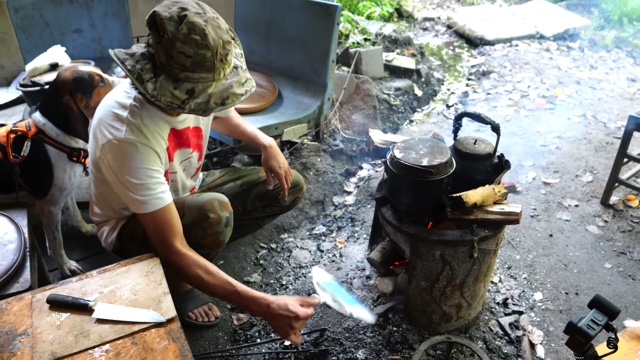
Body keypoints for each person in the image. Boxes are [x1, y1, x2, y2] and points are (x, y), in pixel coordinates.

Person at [88, 0, 319, 344]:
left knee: (288, 186)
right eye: (202, 96)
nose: (209, 102)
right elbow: (173, 246)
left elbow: (220, 111)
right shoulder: (127, 132)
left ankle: (203, 253)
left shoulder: (190, 90)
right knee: (214, 214)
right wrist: (265, 305)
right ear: (169, 85)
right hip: (128, 225)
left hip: (186, 191)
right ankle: (178, 282)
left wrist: (265, 143)